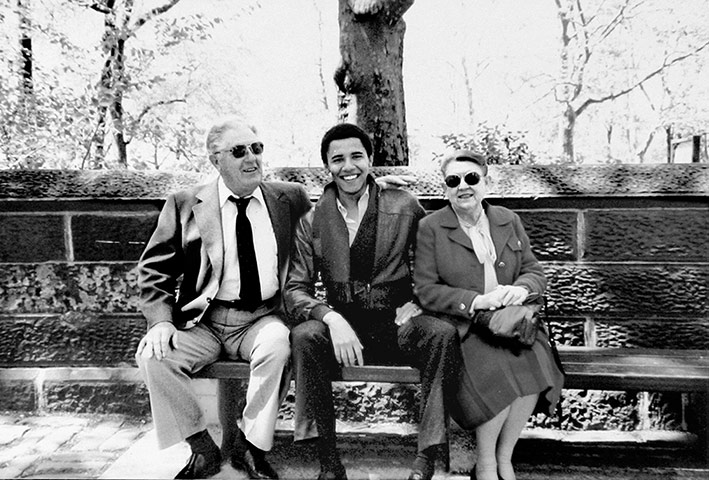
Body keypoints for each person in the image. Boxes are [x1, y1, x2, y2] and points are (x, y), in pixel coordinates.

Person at [135, 116, 312, 479]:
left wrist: (377, 189)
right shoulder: (186, 203)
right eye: (239, 151)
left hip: (262, 318)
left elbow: (329, 220)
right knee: (154, 355)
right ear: (216, 159)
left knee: (278, 346)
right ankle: (201, 447)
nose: (252, 159)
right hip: (206, 322)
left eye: (257, 149)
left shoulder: (288, 198)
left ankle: (251, 448)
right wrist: (161, 321)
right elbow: (154, 268)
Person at [284, 123, 461, 480]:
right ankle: (329, 463)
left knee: (442, 335)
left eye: (356, 156)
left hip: (396, 323)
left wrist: (420, 302)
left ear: (370, 160)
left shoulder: (403, 203)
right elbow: (295, 289)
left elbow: (432, 262)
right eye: (338, 159)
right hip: (343, 328)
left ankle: (425, 460)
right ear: (327, 167)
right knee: (304, 336)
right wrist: (330, 318)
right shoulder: (312, 219)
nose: (348, 167)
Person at [413, 150, 564, 480]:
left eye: (471, 179)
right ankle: (485, 464)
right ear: (445, 189)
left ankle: (504, 458)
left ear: (486, 182)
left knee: (536, 360)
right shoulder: (431, 227)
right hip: (466, 326)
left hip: (511, 324)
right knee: (497, 369)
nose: (463, 186)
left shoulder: (508, 220)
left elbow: (534, 271)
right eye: (453, 181)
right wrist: (476, 301)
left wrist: (522, 289)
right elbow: (425, 290)